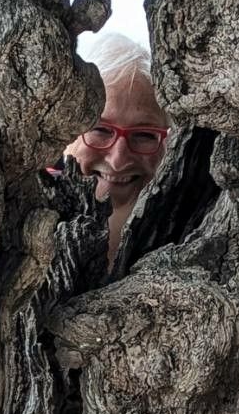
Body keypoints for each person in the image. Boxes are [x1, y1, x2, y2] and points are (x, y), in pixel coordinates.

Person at [60, 32, 170, 262]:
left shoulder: (190, 230)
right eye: (100, 129)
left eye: (144, 135)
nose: (118, 160)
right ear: (64, 129)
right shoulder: (17, 214)